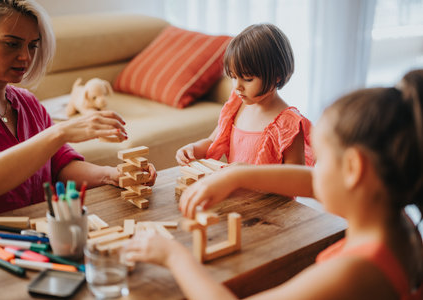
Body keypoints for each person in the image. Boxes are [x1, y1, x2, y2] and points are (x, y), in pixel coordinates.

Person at [124, 69, 423, 299]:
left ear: (353, 169)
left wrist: (175, 257)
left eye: (321, 156)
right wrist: (236, 174)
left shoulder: (354, 272)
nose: (313, 167)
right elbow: (311, 181)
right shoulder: (397, 222)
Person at [0, 0, 156, 220]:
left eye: (32, 45)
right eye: (12, 44)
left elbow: (60, 166)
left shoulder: (27, 103)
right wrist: (60, 132)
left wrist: (113, 175)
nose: (26, 57)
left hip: (41, 232)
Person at [176, 23, 314, 167]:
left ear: (277, 75)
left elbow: (295, 179)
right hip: (233, 188)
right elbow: (212, 141)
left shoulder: (288, 124)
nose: (237, 87)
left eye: (247, 79)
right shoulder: (237, 104)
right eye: (233, 77)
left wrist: (248, 174)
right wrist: (193, 149)